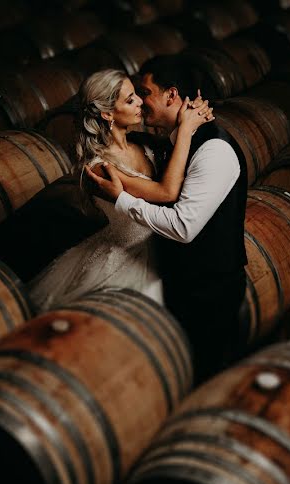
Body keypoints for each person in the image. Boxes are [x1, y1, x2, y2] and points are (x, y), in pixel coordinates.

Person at [86, 55, 248, 384]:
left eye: (144, 92)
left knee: (196, 380)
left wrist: (122, 199)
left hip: (208, 292)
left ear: (171, 95)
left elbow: (182, 227)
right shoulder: (164, 144)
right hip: (170, 278)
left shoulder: (213, 150)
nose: (140, 103)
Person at [28, 68, 214, 311]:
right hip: (126, 259)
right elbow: (167, 192)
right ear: (107, 114)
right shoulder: (100, 166)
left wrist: (190, 113)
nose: (140, 102)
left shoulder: (140, 143)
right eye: (129, 100)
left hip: (162, 246)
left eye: (136, 94)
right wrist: (187, 131)